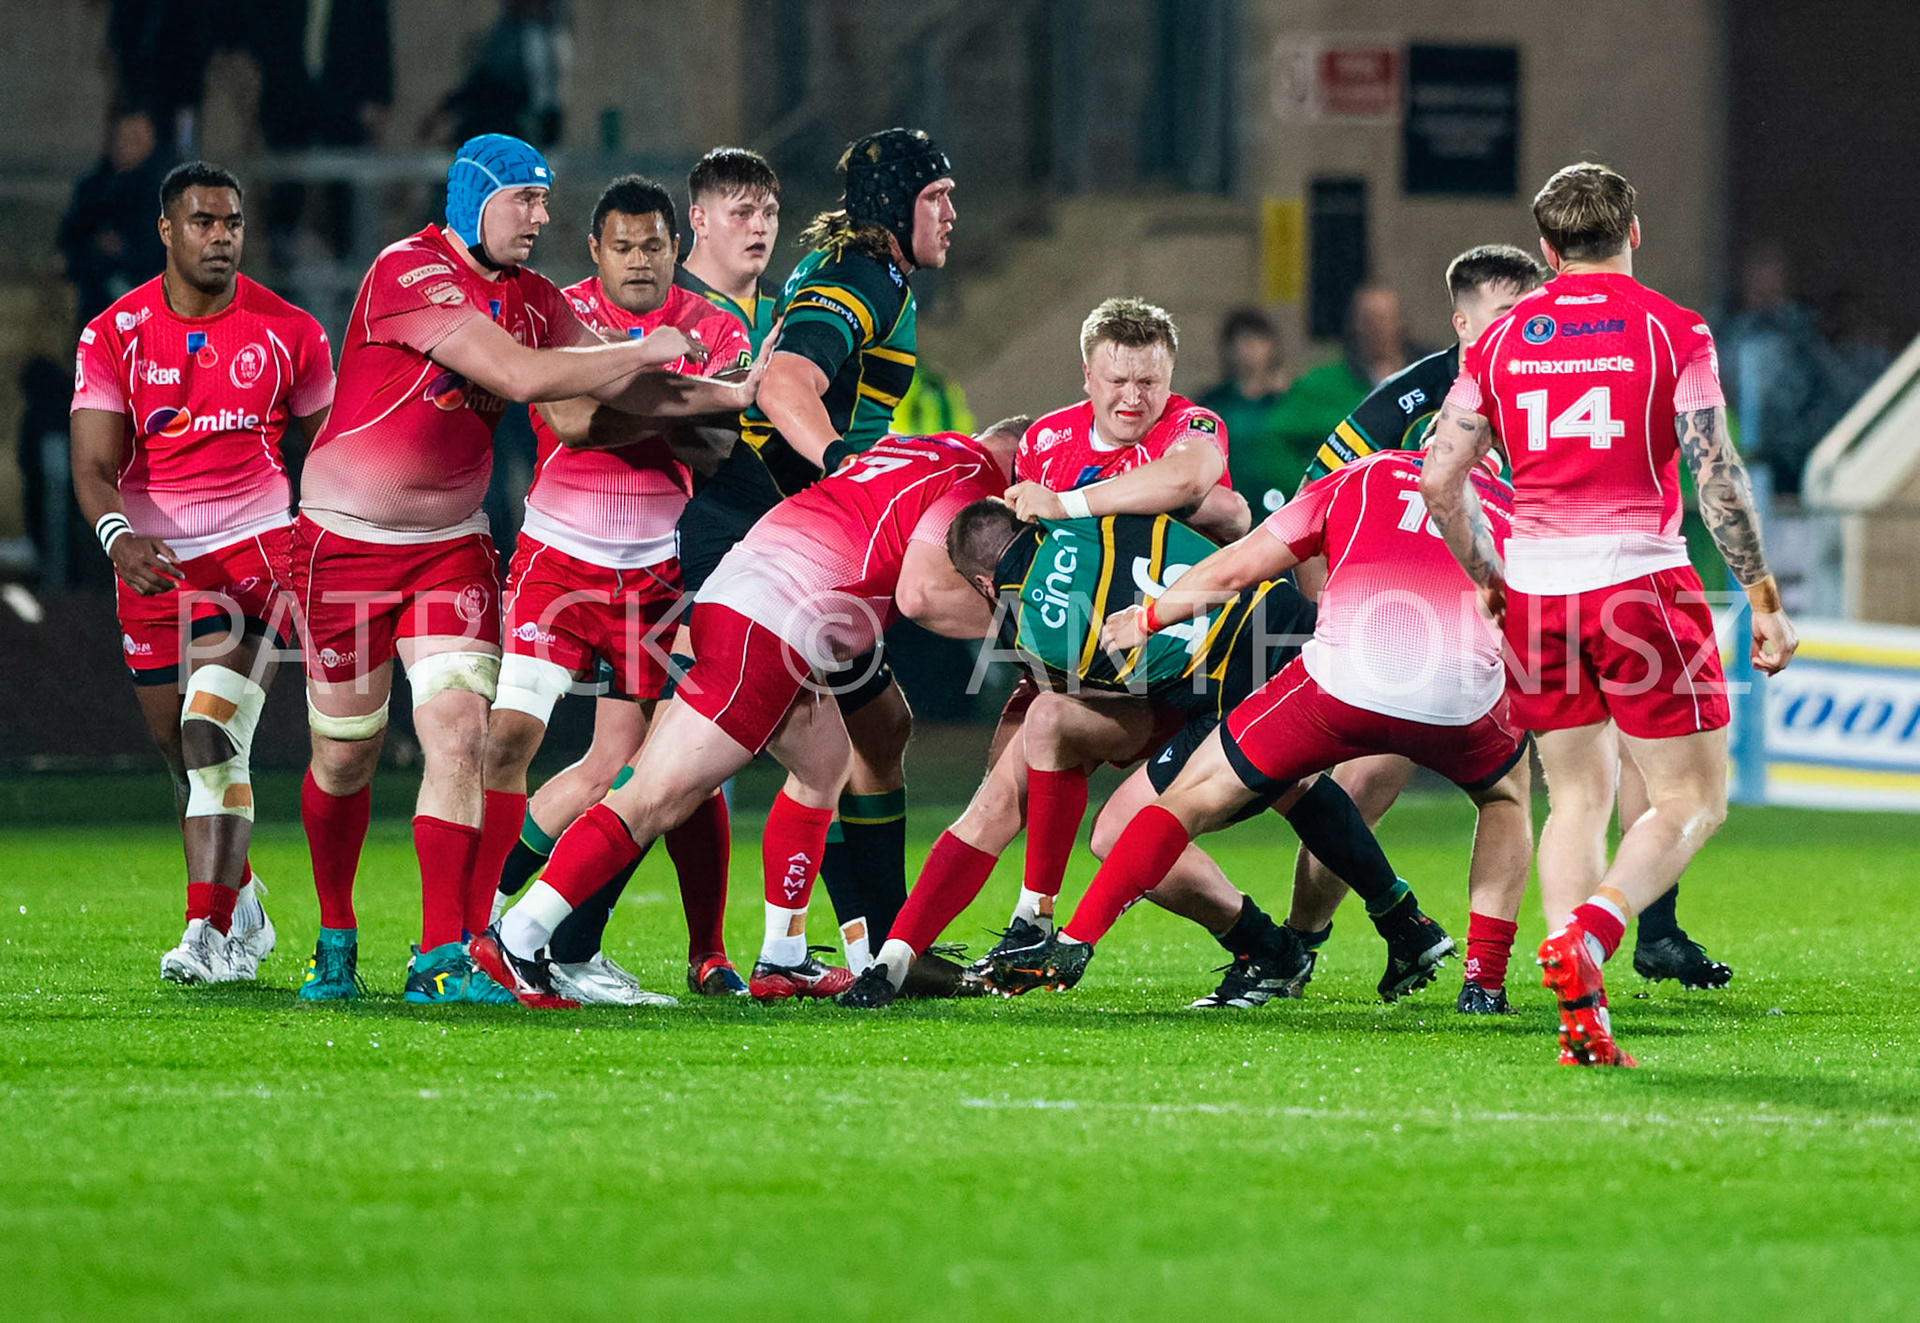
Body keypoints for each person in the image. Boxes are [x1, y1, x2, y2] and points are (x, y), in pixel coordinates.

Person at [290, 134, 735, 1004]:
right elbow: (525, 376)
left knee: (463, 736)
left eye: (544, 199)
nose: (540, 216)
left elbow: (616, 391)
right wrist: (645, 347)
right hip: (345, 544)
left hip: (450, 546)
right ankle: (335, 933)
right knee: (345, 756)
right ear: (474, 200)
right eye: (524, 199)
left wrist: (737, 393)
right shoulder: (408, 270)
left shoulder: (531, 295)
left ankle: (443, 955)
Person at [1422, 161, 1798, 1067]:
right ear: (1633, 232)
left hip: (1538, 592)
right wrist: (1764, 598)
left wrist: (1488, 574)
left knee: (1577, 798)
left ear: (1547, 250)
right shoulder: (1674, 329)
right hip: (1640, 586)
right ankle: (1593, 932)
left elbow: (1439, 479)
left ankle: (1581, 1015)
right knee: (1692, 799)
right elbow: (1716, 476)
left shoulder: (1497, 341)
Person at [472, 426, 1020, 1005]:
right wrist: (1027, 628)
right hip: (773, 621)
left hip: (759, 592)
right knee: (653, 796)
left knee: (824, 762)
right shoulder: (975, 478)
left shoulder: (918, 446)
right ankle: (517, 937)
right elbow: (921, 594)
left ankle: (783, 956)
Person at [838, 499, 1447, 1012]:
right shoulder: (1106, 509)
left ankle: (1266, 950)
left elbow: (1111, 689)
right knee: (1292, 782)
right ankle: (1402, 922)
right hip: (1293, 627)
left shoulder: (1033, 629)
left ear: (981, 584)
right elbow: (1214, 505)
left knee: (1123, 826)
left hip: (1230, 684)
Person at [984, 447, 1532, 1006]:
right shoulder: (1524, 514)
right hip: (1459, 694)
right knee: (1503, 799)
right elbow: (1547, 622)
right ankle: (1482, 982)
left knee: (1190, 798)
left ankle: (1079, 941)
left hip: (1337, 679)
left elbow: (1236, 565)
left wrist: (1148, 618)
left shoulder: (1370, 471)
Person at [465, 175, 761, 1006]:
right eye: (622, 246)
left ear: (677, 247)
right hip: (557, 561)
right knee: (510, 737)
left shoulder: (715, 324)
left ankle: (704, 953)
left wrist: (624, 401)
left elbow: (715, 445)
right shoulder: (560, 313)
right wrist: (677, 401)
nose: (639, 261)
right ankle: (473, 926)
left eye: (653, 246)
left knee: (667, 767)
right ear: (595, 249)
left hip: (659, 577)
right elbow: (569, 422)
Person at [677, 127, 955, 979]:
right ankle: (529, 930)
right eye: (936, 198)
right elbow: (787, 380)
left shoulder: (869, 272)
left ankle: (874, 947)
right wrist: (845, 466)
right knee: (662, 770)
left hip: (792, 533)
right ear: (894, 205)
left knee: (873, 728)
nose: (951, 215)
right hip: (772, 534)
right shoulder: (859, 276)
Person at [70, 161, 335, 984]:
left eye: (232, 223)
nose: (221, 237)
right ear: (166, 230)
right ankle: (244, 905)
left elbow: (335, 454)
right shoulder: (113, 333)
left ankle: (206, 933)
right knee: (182, 756)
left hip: (256, 560)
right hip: (151, 565)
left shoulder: (291, 332)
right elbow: (93, 465)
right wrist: (118, 538)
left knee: (210, 731)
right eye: (203, 222)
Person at [1284, 243, 1542, 1011]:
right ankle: (1299, 944)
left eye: (1532, 315)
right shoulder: (1412, 399)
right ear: (1461, 324)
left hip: (1507, 624)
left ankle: (1486, 977)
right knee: (1369, 785)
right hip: (1408, 626)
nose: (1523, 331)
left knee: (1518, 788)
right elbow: (1313, 501)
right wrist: (1341, 616)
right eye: (1506, 315)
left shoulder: (1551, 389)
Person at [957, 297, 1250, 962]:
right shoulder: (1045, 440)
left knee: (1283, 796)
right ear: (1087, 375)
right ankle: (911, 952)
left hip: (1190, 669)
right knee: (1005, 794)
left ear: (1170, 378)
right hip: (1085, 667)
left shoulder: (1191, 424)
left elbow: (1192, 479)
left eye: (1150, 381)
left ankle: (1328, 930)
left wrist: (1067, 505)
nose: (1133, 398)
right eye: (1117, 380)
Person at [1266, 284, 1411, 481]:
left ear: (1399, 323)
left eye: (1384, 318)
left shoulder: (1422, 380)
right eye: (1368, 320)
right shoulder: (1320, 384)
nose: (1377, 328)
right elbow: (1276, 434)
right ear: (1354, 324)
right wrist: (1310, 485)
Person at [58, 105, 171, 335]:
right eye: (123, 138)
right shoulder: (93, 188)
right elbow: (70, 240)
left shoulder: (163, 192)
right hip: (96, 304)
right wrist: (94, 249)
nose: (128, 146)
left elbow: (163, 251)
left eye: (137, 139)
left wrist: (126, 251)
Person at [674, 148, 781, 350]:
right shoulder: (659, 303)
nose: (760, 227)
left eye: (769, 214)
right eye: (742, 213)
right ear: (700, 221)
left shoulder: (788, 306)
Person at [1198, 307, 1292, 516]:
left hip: (1279, 509)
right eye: (1240, 341)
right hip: (1226, 508)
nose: (1248, 349)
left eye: (1257, 340)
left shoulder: (1289, 402)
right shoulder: (1213, 402)